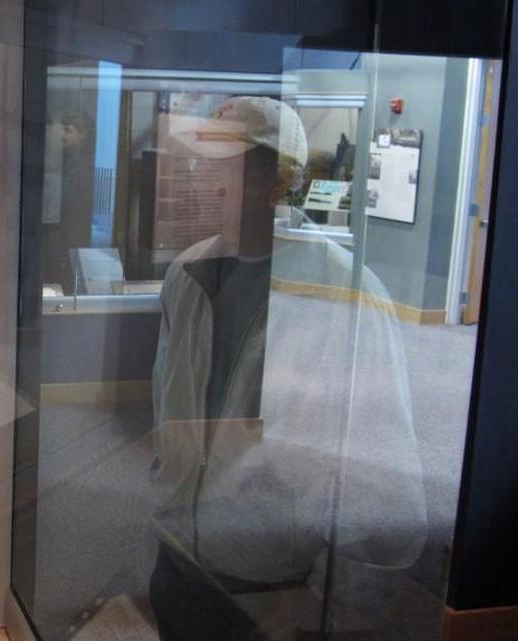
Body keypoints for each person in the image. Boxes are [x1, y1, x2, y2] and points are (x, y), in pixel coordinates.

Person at [147, 97, 427, 640]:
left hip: (270, 585)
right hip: (179, 559)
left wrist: (327, 609)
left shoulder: (344, 296)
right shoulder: (187, 274)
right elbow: (169, 406)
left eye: (223, 165)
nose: (203, 181)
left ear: (275, 180)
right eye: (203, 163)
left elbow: (382, 484)